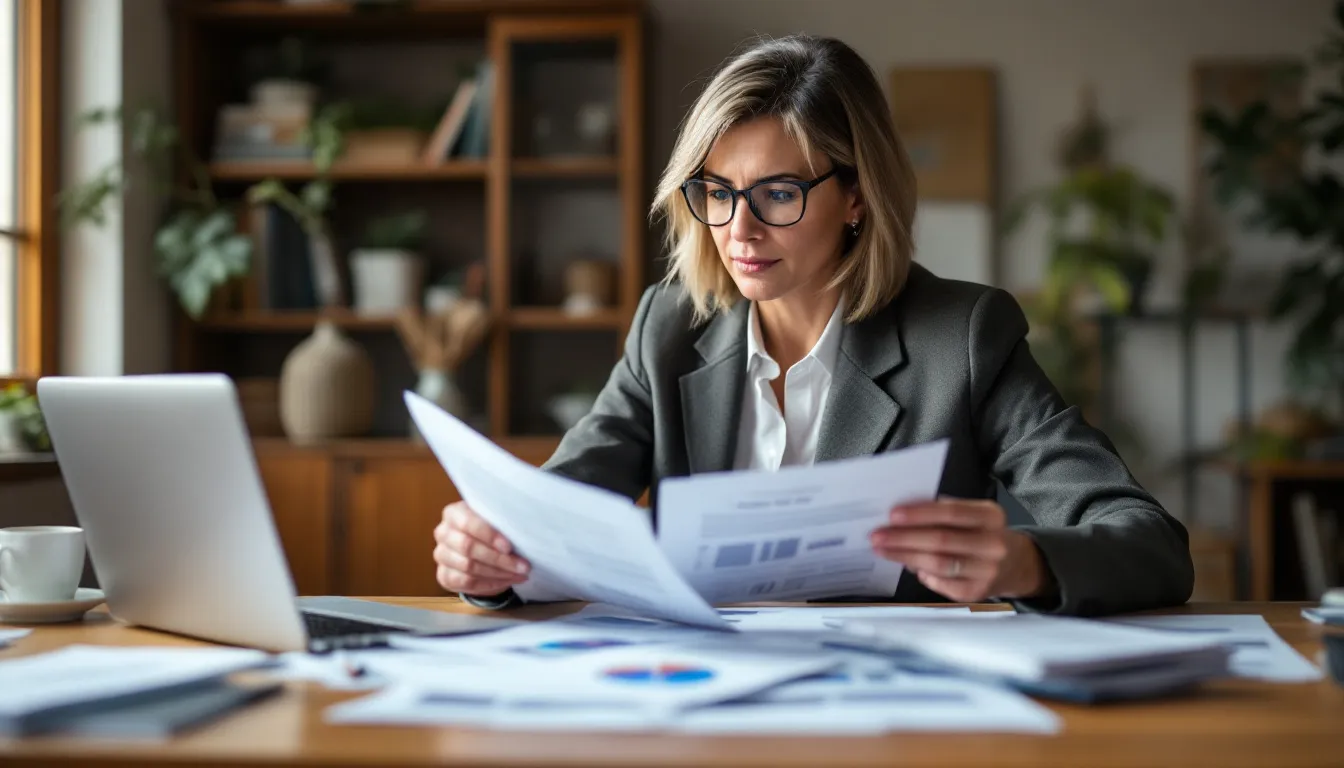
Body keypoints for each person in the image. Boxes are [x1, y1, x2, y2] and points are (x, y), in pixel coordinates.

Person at [431, 34, 1193, 617]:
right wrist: (492, 562)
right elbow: (553, 520)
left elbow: (1148, 540)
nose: (739, 231)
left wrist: (1028, 564)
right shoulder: (669, 329)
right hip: (698, 706)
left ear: (856, 197)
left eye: (780, 193)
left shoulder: (959, 337)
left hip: (887, 718)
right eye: (717, 192)